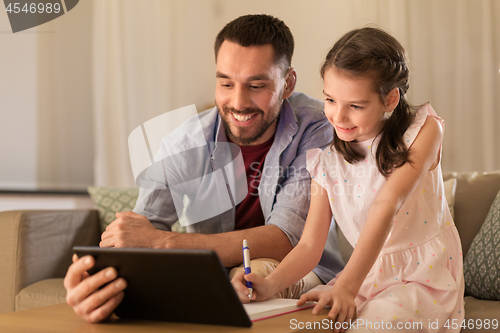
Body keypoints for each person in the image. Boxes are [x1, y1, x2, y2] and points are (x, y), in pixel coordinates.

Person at [64, 14, 344, 323]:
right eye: (226, 83)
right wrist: (94, 279)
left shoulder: (320, 126)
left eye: (256, 85)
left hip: (297, 268)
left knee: (251, 276)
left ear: (287, 83)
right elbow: (140, 232)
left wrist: (164, 242)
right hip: (209, 278)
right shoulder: (183, 143)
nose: (238, 102)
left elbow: (285, 238)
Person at [232, 27, 465, 333]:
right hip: (364, 275)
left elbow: (387, 204)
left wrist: (347, 287)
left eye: (355, 106)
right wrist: (268, 284)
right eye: (330, 100)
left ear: (390, 99)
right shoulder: (327, 162)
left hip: (422, 276)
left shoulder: (423, 131)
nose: (338, 116)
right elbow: (309, 246)